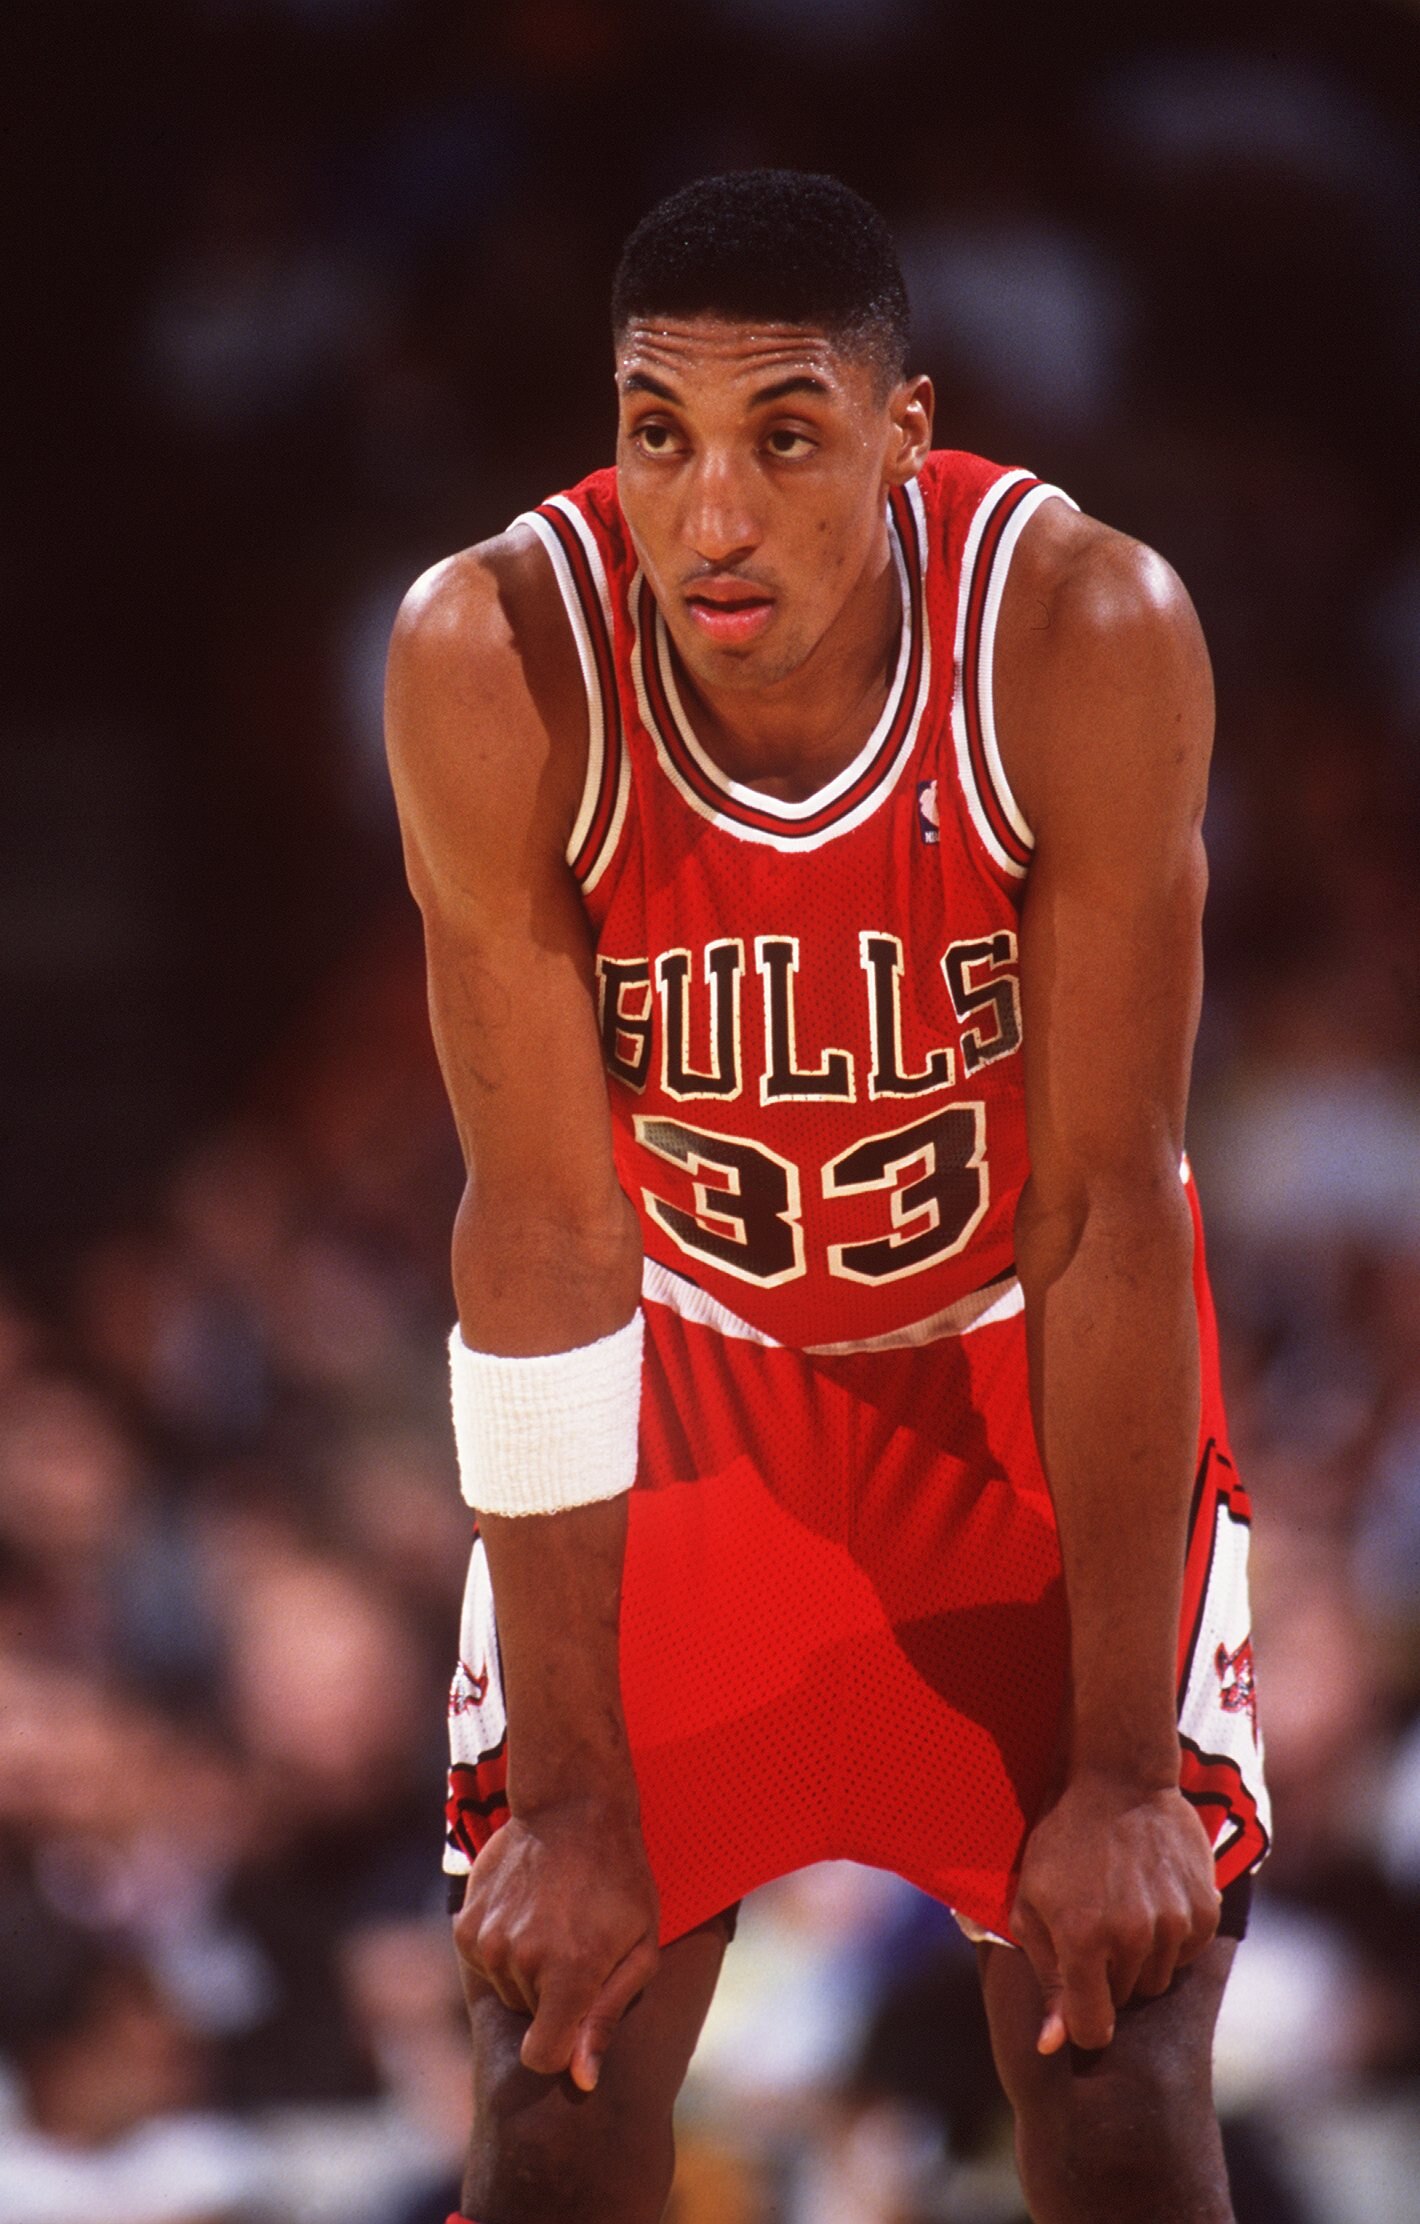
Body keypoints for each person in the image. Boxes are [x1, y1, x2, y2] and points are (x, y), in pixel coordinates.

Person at [384, 169, 1270, 2224]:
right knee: (550, 2079)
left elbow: (1111, 1210)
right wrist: (575, 1792)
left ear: (901, 429)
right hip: (677, 1391)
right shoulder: (494, 649)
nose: (708, 512)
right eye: (654, 431)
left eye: (781, 435)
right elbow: (538, 1231)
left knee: (1121, 2079)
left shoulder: (1075, 627)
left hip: (1009, 1389)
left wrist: (1123, 1773)